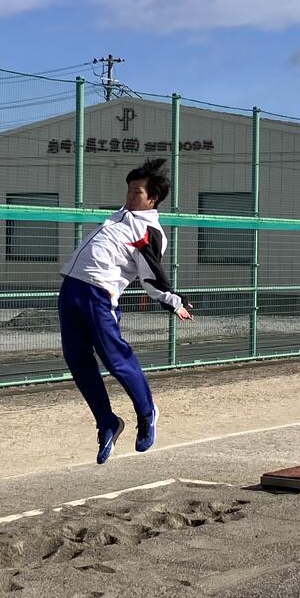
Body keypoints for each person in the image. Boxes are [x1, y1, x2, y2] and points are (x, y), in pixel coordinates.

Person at [58, 157, 193, 464]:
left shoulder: (149, 230)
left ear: (153, 199)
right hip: (71, 287)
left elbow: (152, 274)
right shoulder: (121, 216)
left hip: (98, 293)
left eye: (137, 192)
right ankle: (107, 422)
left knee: (115, 359)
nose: (130, 196)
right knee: (77, 360)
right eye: (129, 190)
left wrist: (174, 301)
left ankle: (146, 412)